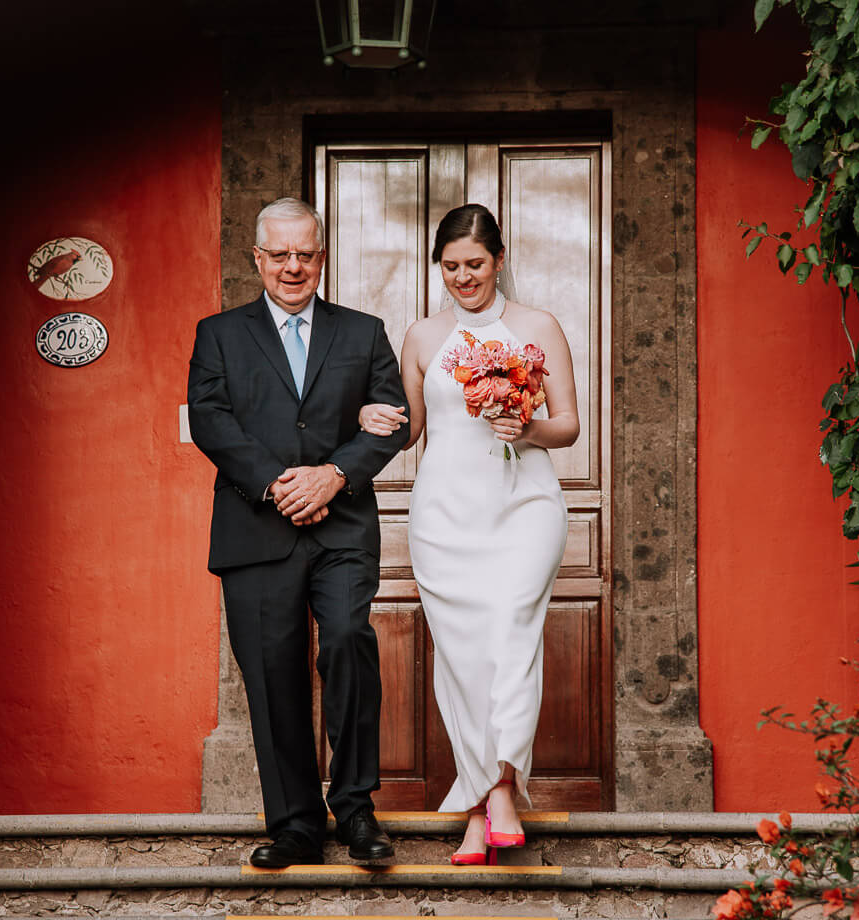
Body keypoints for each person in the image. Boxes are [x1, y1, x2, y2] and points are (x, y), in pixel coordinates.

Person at [188, 197, 409, 868]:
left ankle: (357, 809)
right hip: (256, 525)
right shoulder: (219, 334)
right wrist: (284, 483)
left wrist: (334, 475)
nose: (292, 267)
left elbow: (394, 417)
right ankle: (295, 825)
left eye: (304, 254)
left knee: (348, 640)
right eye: (278, 255)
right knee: (271, 673)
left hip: (341, 526)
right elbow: (210, 419)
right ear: (258, 259)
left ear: (322, 255)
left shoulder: (364, 332)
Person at [358, 203, 577, 865]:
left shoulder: (538, 327)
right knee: (463, 662)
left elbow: (567, 423)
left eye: (475, 264)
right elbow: (412, 428)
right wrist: (364, 414)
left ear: (499, 260)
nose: (463, 277)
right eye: (451, 266)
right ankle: (484, 808)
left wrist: (526, 428)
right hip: (444, 515)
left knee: (512, 631)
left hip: (525, 506)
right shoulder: (424, 337)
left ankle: (502, 786)